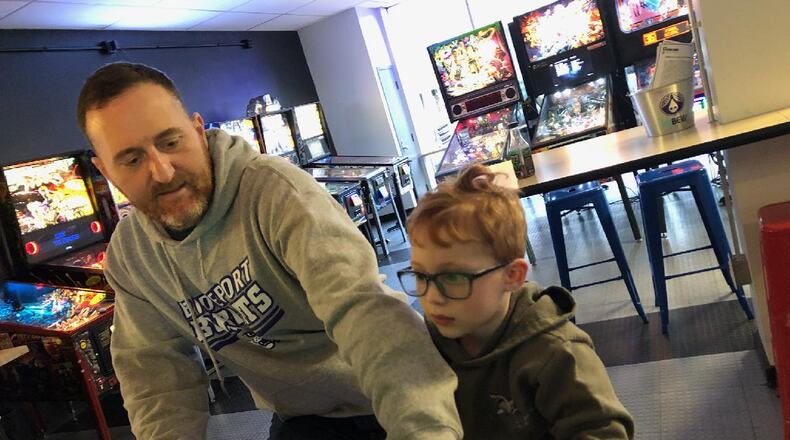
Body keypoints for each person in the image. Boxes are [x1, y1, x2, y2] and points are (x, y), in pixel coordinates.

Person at [76, 62, 463, 440]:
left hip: (399, 390)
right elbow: (155, 380)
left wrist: (423, 428)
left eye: (170, 141)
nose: (162, 171)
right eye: (132, 159)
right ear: (106, 171)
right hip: (308, 418)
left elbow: (365, 315)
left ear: (197, 131)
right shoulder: (132, 256)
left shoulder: (277, 193)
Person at [397, 164, 634, 439]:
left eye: (454, 278)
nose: (432, 297)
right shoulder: (428, 342)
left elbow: (605, 432)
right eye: (421, 275)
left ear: (512, 276)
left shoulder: (557, 354)